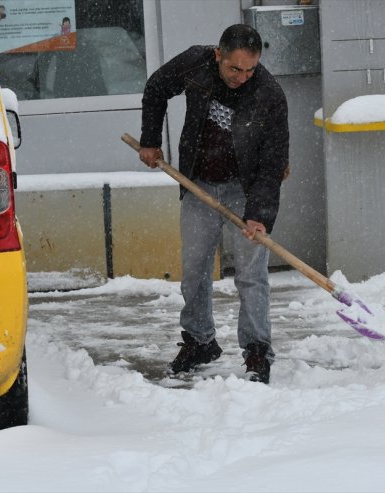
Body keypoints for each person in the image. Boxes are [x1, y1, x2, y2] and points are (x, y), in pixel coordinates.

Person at [138, 24, 289, 384]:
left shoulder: (269, 94)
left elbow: (273, 164)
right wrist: (150, 139)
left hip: (244, 190)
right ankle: (200, 341)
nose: (242, 77)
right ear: (218, 55)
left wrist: (259, 216)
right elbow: (156, 87)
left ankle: (256, 352)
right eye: (234, 69)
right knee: (195, 271)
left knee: (251, 277)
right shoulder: (196, 63)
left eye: (250, 69)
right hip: (198, 183)